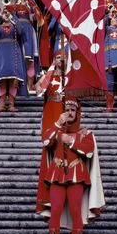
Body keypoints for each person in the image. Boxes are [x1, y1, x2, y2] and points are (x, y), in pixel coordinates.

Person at [38, 97, 105, 234]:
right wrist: (57, 124)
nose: (69, 113)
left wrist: (71, 141)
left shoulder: (85, 133)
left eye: (72, 110)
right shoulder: (56, 131)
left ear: (77, 113)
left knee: (76, 210)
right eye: (67, 110)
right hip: (56, 174)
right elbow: (46, 140)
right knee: (55, 210)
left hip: (76, 175)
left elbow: (88, 151)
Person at [35, 52, 65, 217]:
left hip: (64, 112)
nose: (61, 60)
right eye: (58, 57)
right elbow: (38, 91)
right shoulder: (49, 75)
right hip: (50, 112)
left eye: (63, 57)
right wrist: (48, 74)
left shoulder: (70, 77)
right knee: (50, 146)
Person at [0, 8, 28, 112]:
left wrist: (13, 18)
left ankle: (11, 104)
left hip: (13, 51)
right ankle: (1, 104)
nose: (6, 14)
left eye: (8, 12)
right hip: (1, 53)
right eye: (4, 13)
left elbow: (21, 32)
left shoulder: (15, 25)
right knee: (1, 78)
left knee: (13, 78)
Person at [12, 0, 43, 91]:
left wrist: (32, 3)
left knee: (30, 59)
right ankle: (17, 85)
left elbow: (39, 19)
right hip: (18, 32)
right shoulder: (14, 7)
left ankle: (29, 85)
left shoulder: (31, 7)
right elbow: (11, 17)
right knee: (18, 58)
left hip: (29, 32)